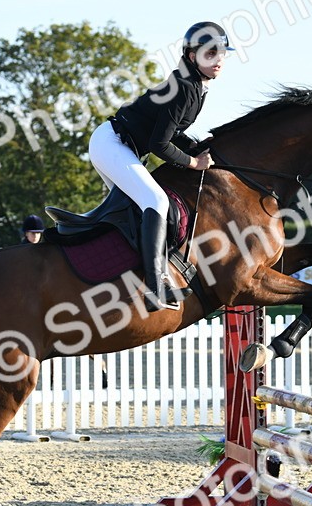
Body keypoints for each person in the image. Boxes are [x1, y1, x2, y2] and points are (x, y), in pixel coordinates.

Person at [89, 21, 231, 311]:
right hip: (112, 143)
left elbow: (171, 132)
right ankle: (156, 288)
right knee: (156, 201)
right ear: (192, 56)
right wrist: (194, 162)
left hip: (118, 146)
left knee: (135, 211)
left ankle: (129, 276)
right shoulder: (184, 87)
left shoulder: (195, 85)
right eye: (210, 53)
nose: (218, 59)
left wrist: (195, 145)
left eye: (221, 53)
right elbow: (159, 144)